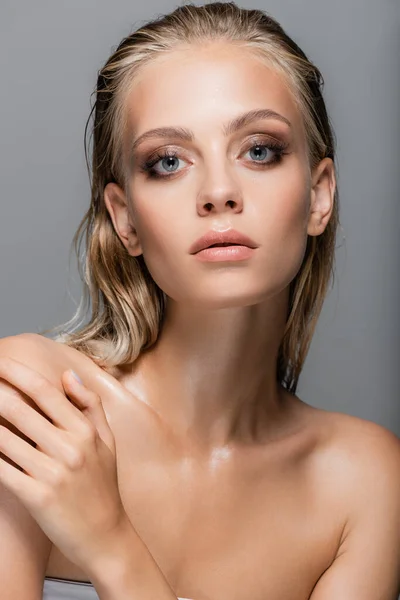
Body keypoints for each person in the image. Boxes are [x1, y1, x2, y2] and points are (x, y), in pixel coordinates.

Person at [0, 2, 399, 599]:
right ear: (125, 218)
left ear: (319, 197)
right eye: (168, 162)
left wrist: (112, 544)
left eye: (259, 150)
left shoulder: (364, 481)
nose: (218, 192)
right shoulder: (36, 408)